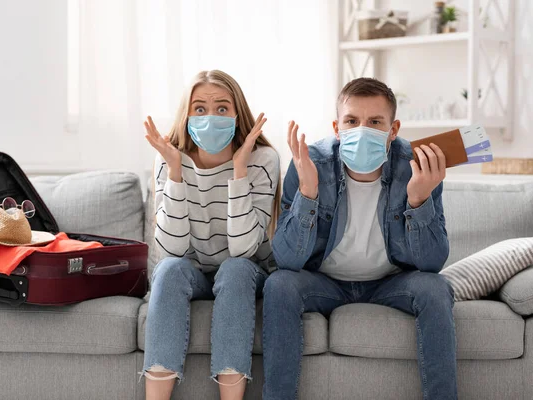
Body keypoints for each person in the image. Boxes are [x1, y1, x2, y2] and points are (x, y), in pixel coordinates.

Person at [262, 77, 457, 400]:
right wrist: (308, 193)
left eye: (375, 122)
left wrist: (419, 200)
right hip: (325, 283)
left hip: (390, 283)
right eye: (352, 121)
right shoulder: (309, 163)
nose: (362, 130)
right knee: (279, 284)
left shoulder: (418, 166)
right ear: (337, 127)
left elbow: (432, 263)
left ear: (393, 131)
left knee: (436, 289)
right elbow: (287, 260)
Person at [141, 69, 281, 400]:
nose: (210, 117)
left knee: (234, 268)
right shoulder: (169, 158)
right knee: (170, 270)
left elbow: (245, 249)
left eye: (222, 108)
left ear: (237, 114)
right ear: (187, 115)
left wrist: (239, 172)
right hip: (194, 273)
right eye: (200, 109)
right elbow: (172, 250)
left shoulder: (262, 159)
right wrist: (175, 172)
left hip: (247, 272)